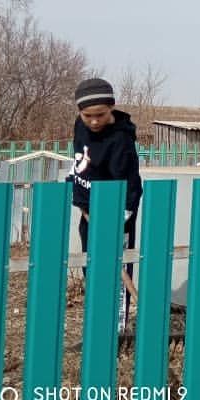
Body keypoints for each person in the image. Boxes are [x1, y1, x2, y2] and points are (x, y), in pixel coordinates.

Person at [67, 77, 142, 331]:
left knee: (116, 271)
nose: (94, 121)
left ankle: (115, 331)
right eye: (88, 115)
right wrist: (76, 186)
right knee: (93, 264)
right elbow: (80, 159)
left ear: (111, 108)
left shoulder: (121, 142)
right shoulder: (81, 125)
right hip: (88, 207)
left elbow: (132, 186)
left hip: (116, 213)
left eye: (100, 115)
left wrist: (119, 220)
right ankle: (98, 322)